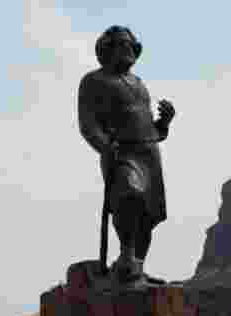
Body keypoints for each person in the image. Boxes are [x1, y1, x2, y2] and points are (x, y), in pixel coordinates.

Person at [78, 25, 176, 285]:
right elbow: (88, 123)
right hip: (121, 151)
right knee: (128, 195)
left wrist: (164, 122)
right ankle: (126, 256)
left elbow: (151, 129)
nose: (128, 49)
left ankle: (136, 267)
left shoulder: (139, 84)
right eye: (121, 44)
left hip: (149, 152)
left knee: (149, 213)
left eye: (131, 45)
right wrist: (104, 146)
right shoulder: (94, 81)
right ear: (107, 49)